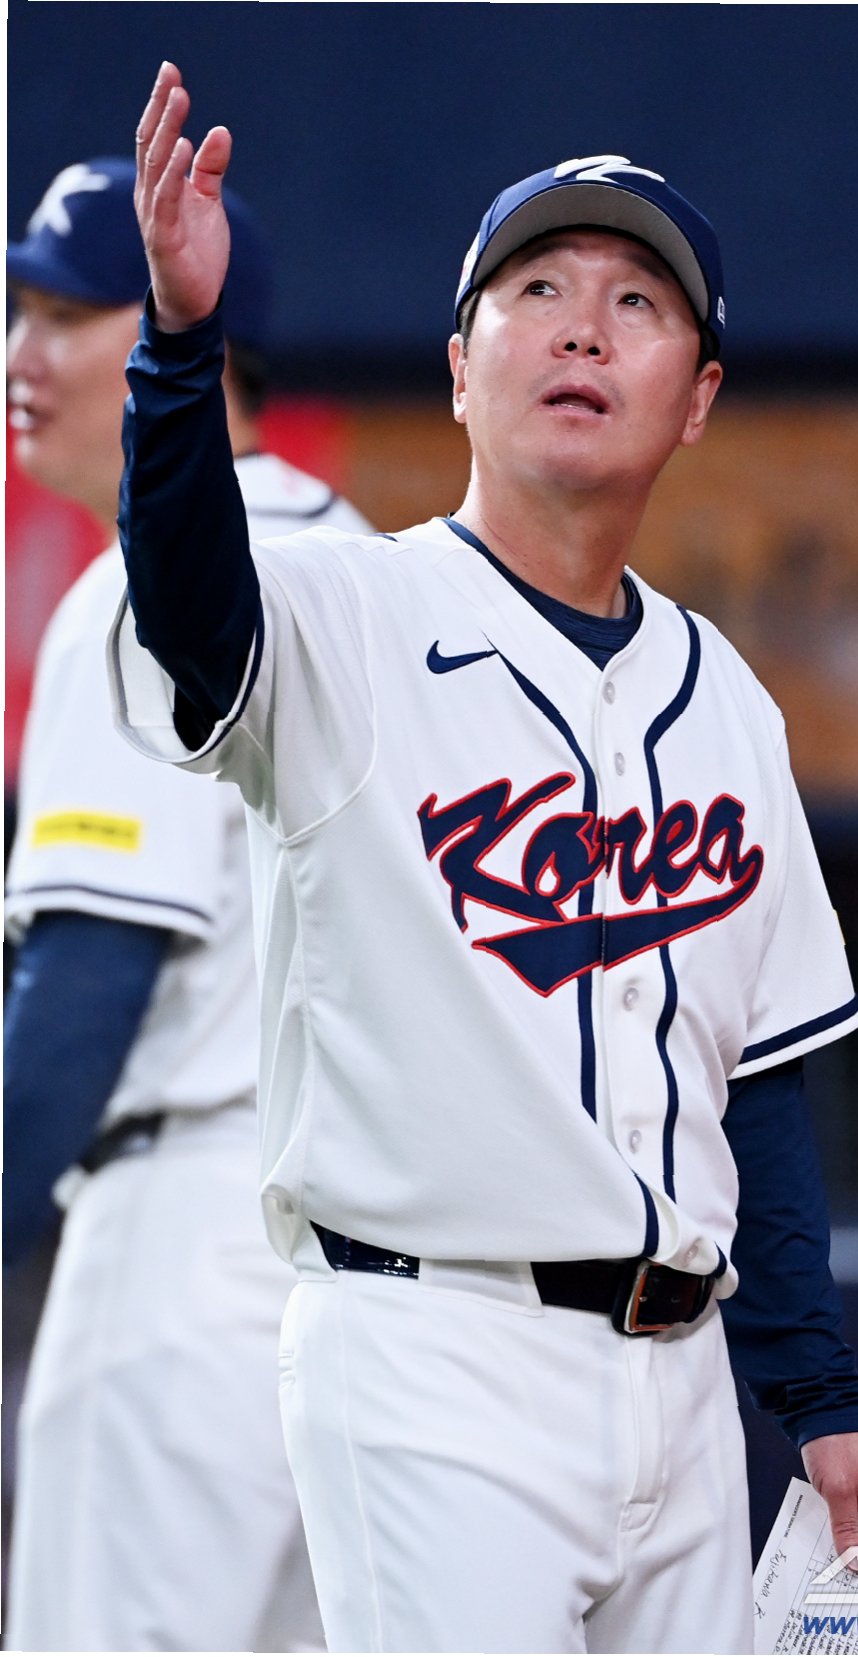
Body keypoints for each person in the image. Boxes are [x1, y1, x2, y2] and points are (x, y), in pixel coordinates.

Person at [111, 62, 858, 1655]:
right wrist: (181, 351)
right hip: (433, 1348)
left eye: (635, 302)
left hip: (683, 1383)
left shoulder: (728, 703)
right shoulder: (344, 614)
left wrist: (818, 1396)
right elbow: (194, 604)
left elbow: (756, 1088)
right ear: (460, 369)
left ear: (697, 397)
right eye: (536, 291)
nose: (582, 329)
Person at [4, 154, 371, 1652]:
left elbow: (87, 992)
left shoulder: (139, 588)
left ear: (185, 338)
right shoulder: (368, 572)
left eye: (66, 314)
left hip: (178, 1258)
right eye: (18, 311)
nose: (21, 354)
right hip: (367, 1285)